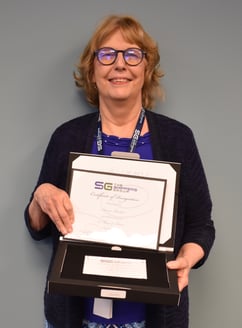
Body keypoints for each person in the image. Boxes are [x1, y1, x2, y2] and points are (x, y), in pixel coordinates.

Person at [25, 14, 215, 328]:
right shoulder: (66, 137)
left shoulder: (178, 139)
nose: (120, 64)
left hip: (156, 318)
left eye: (132, 54)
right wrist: (41, 195)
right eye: (107, 54)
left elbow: (201, 225)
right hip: (76, 317)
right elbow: (38, 227)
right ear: (92, 68)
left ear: (147, 67)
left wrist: (189, 257)